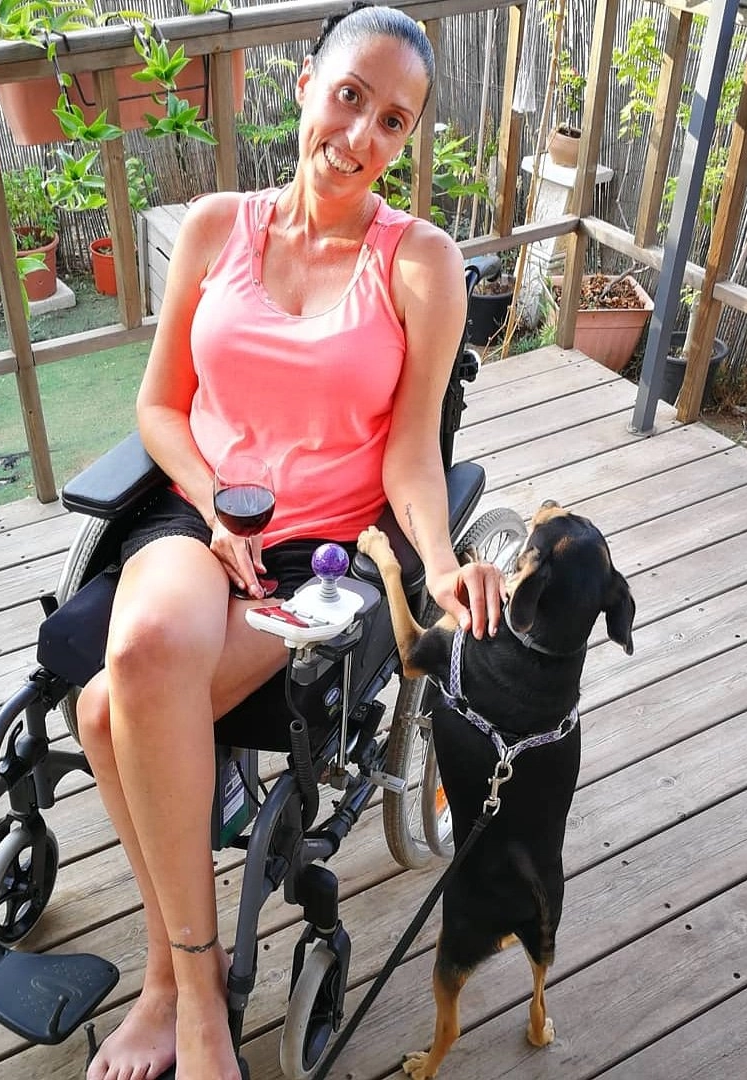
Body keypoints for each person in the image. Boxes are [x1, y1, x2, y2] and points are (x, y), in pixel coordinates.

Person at [77, 5, 505, 1078]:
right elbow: (160, 407)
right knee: (133, 660)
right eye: (351, 95)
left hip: (319, 554)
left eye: (394, 121)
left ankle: (180, 986)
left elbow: (411, 453)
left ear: (407, 140)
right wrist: (213, 501)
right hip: (204, 510)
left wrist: (442, 563)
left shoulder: (422, 264)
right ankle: (194, 988)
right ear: (305, 82)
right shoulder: (220, 227)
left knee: (101, 712)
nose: (362, 135)